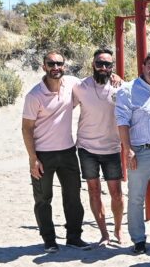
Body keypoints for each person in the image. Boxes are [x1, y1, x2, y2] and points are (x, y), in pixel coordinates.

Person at [20, 51, 86, 253]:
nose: (55, 67)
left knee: (73, 197)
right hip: (43, 155)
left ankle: (74, 237)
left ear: (64, 66)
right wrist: (33, 158)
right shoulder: (34, 95)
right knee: (43, 199)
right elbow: (27, 128)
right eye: (51, 64)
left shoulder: (71, 83)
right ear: (44, 67)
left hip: (68, 152)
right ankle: (49, 240)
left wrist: (115, 76)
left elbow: (93, 84)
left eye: (59, 63)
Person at [115, 51, 150, 254]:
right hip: (139, 151)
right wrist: (128, 149)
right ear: (142, 67)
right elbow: (122, 122)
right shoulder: (128, 90)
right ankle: (138, 240)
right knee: (136, 197)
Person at [71, 48, 124, 248]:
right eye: (99, 63)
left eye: (107, 64)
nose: (103, 67)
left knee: (116, 193)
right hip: (87, 148)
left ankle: (118, 229)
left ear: (112, 67)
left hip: (112, 148)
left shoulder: (121, 87)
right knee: (94, 191)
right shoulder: (80, 87)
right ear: (93, 64)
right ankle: (104, 233)